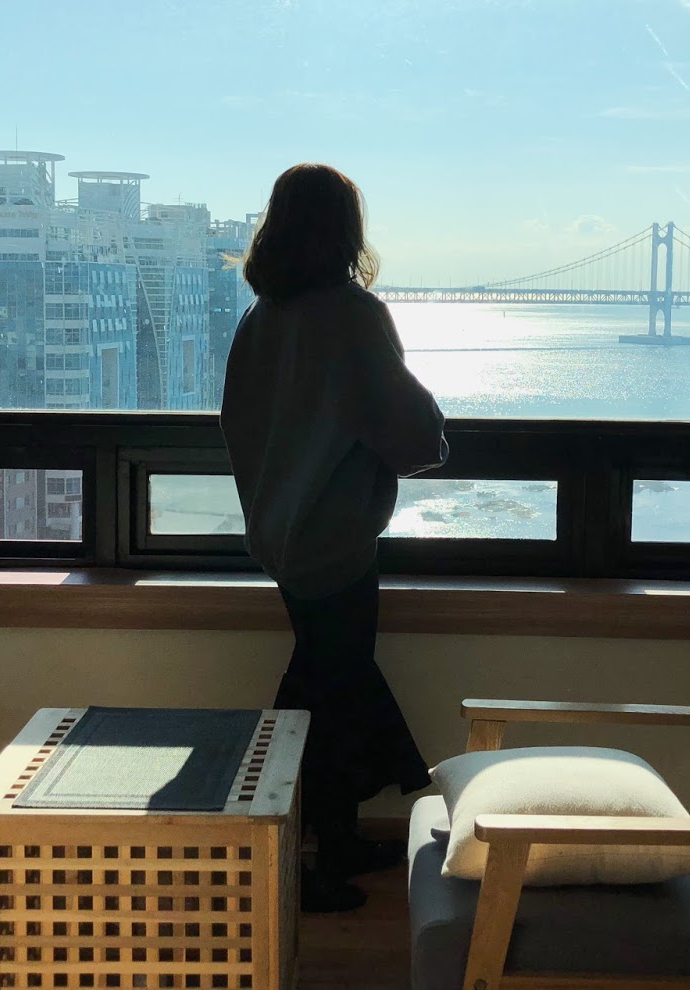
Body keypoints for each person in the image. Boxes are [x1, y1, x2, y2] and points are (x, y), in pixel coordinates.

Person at [220, 162, 448, 913]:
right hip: (338, 542)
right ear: (346, 231)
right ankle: (290, 857)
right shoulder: (350, 316)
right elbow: (413, 434)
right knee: (323, 698)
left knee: (328, 686)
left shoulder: (260, 319)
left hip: (280, 539)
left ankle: (335, 840)